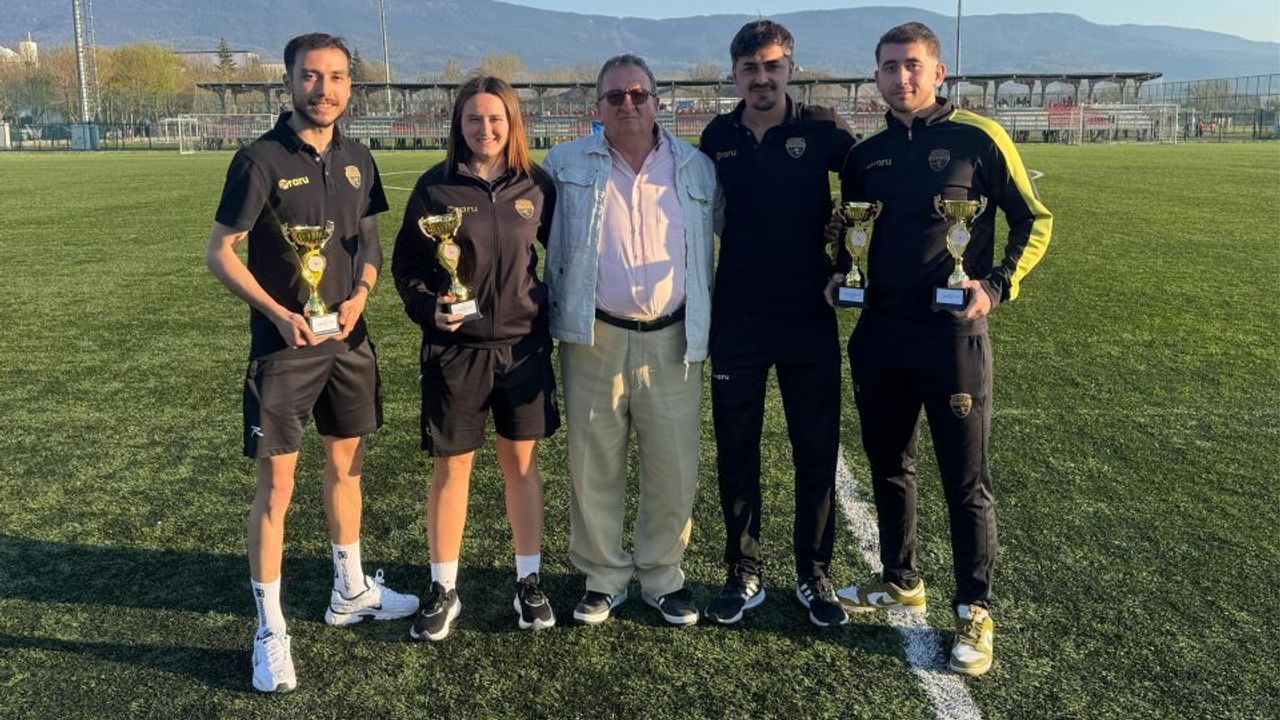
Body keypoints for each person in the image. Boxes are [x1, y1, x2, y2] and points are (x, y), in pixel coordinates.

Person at [834, 22, 1052, 676]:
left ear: (937, 73)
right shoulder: (864, 157)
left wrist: (996, 284)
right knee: (888, 465)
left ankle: (974, 610)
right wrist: (840, 274)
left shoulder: (979, 138)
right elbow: (851, 239)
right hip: (879, 335)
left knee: (965, 480)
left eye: (912, 65)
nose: (900, 77)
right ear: (875, 76)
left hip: (953, 338)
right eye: (888, 66)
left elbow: (1034, 219)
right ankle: (900, 579)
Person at [205, 33, 418, 694]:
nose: (324, 89)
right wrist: (277, 312)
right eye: (311, 76)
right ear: (289, 83)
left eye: (336, 77)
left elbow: (369, 243)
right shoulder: (258, 159)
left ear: (350, 85)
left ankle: (350, 590)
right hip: (285, 350)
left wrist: (361, 295)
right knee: (276, 490)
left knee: (348, 468)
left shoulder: (358, 157)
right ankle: (269, 629)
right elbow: (220, 251)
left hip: (348, 342)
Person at [543, 54, 717, 626]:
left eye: (639, 94)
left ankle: (663, 576)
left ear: (657, 102)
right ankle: (603, 577)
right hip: (594, 335)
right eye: (615, 96)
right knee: (593, 464)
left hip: (674, 338)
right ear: (597, 106)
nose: (628, 104)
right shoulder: (564, 162)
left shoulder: (696, 167)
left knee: (674, 467)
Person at [697, 19, 855, 627]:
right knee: (737, 447)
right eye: (749, 69)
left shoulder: (822, 129)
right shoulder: (717, 136)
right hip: (737, 316)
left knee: (814, 447)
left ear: (790, 68)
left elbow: (870, 195)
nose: (761, 78)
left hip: (808, 316)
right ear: (734, 75)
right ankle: (743, 568)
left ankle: (814, 572)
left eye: (771, 66)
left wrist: (845, 258)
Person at [391, 75, 560, 641]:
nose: (485, 129)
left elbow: (563, 255)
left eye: (495, 119)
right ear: (458, 124)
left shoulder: (537, 184)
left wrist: (547, 306)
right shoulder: (434, 187)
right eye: (473, 119)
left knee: (521, 466)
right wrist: (427, 308)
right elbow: (407, 266)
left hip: (523, 349)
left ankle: (529, 583)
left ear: (512, 123)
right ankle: (444, 588)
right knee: (452, 468)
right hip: (456, 352)